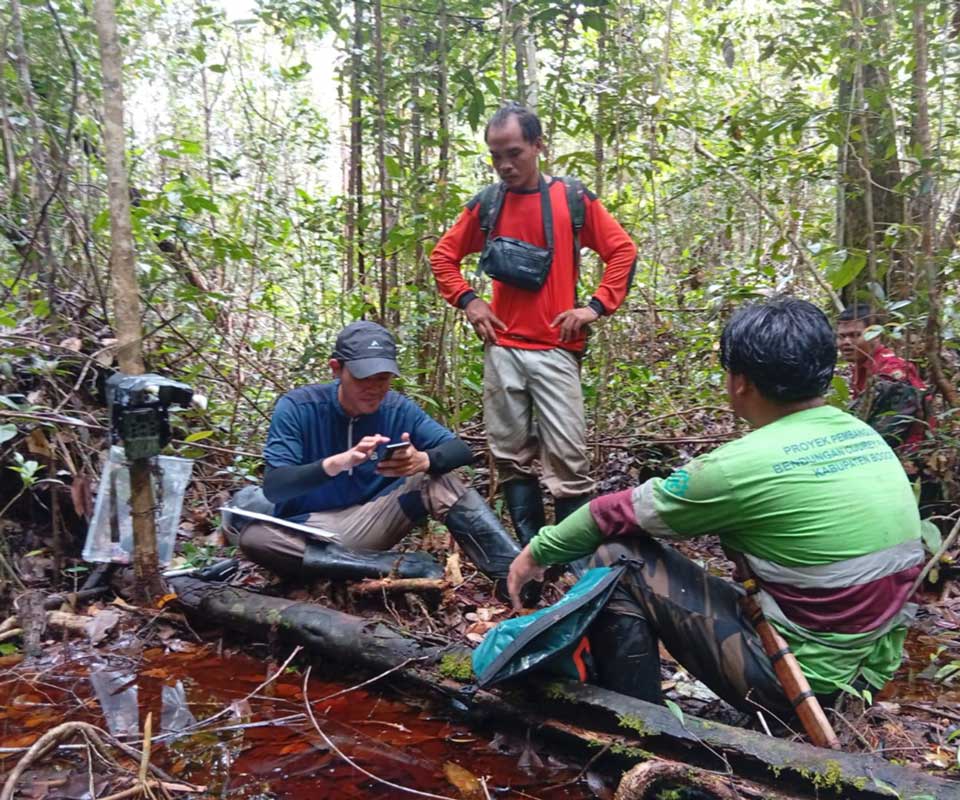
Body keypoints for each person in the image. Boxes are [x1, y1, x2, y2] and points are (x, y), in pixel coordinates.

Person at [507, 298, 923, 719]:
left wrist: (535, 553)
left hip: (799, 686)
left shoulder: (738, 466)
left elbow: (609, 514)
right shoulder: (863, 436)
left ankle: (635, 722)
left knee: (615, 556)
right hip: (863, 675)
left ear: (740, 381)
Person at [430, 103, 638, 546]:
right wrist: (470, 301)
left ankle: (574, 551)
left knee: (568, 455)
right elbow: (442, 256)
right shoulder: (487, 204)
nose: (505, 164)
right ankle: (528, 545)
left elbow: (622, 251)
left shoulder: (572, 199)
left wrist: (595, 307)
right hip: (502, 346)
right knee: (509, 455)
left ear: (539, 146)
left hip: (557, 346)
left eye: (515, 153)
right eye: (495, 155)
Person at [236, 321, 526, 596]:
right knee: (255, 538)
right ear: (336, 369)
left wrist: (423, 460)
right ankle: (395, 566)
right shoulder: (298, 407)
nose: (374, 388)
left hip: (373, 519)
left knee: (440, 481)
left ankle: (516, 575)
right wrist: (336, 464)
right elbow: (275, 487)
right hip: (312, 531)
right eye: (363, 378)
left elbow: (460, 450)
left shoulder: (397, 408)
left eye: (383, 378)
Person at [836, 303, 929, 448]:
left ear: (875, 336)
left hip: (906, 453)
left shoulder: (891, 371)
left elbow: (889, 430)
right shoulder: (860, 366)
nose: (846, 342)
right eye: (842, 336)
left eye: (855, 335)